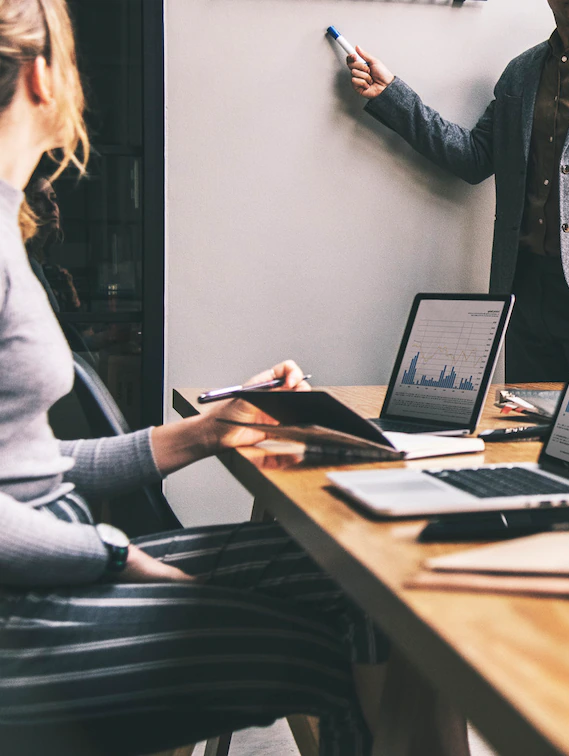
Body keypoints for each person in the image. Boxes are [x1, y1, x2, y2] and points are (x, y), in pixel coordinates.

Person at [0, 2, 388, 753]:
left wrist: (213, 429)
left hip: (54, 567)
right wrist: (121, 558)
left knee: (359, 572)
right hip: (27, 613)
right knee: (320, 651)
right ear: (45, 77)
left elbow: (28, 470)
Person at [347, 0, 569, 382]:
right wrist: (393, 96)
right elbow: (474, 157)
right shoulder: (520, 73)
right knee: (525, 436)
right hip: (524, 295)